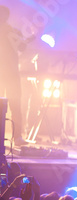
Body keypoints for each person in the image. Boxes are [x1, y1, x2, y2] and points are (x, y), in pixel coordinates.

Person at [0, 6, 29, 146]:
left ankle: (17, 137)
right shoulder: (13, 31)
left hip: (8, 74)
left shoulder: (13, 32)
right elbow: (22, 47)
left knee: (14, 106)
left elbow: (22, 47)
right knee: (15, 106)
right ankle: (17, 137)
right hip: (10, 74)